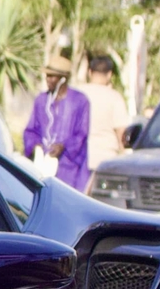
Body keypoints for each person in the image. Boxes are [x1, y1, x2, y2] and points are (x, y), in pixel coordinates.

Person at [22, 53, 91, 191]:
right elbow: (30, 130)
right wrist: (36, 146)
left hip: (69, 169)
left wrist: (63, 146)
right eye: (47, 76)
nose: (48, 80)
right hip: (43, 168)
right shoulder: (41, 100)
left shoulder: (80, 101)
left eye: (52, 76)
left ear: (63, 79)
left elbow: (82, 134)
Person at [78, 52, 132, 171]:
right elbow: (121, 132)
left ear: (90, 72)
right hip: (104, 160)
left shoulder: (77, 94)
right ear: (109, 74)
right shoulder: (114, 98)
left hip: (77, 159)